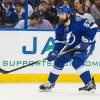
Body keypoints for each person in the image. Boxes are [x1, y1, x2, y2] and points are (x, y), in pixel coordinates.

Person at [39, 5, 97, 92]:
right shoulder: (59, 27)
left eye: (62, 14)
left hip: (86, 45)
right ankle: (50, 83)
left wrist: (86, 39)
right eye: (59, 14)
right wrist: (55, 51)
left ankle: (90, 84)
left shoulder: (78, 21)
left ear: (69, 14)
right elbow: (59, 41)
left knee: (76, 62)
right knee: (59, 60)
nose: (60, 16)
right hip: (72, 46)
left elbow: (93, 26)